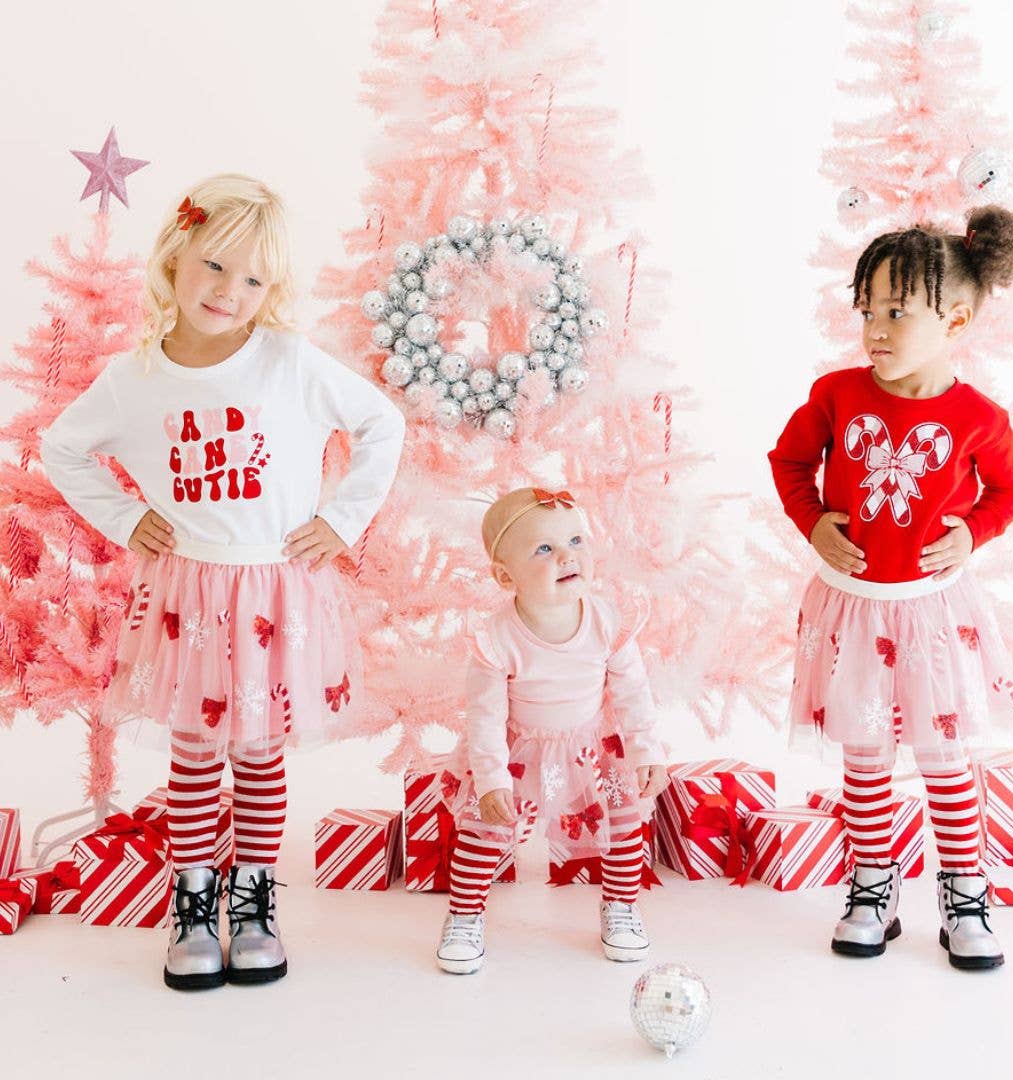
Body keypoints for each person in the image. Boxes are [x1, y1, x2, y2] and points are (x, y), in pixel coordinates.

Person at [41, 174, 405, 989]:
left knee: (261, 753)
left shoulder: (289, 362)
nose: (229, 292)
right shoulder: (136, 378)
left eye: (253, 279)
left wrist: (340, 521)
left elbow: (382, 423)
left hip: (275, 595)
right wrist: (125, 519)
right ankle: (194, 899)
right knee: (197, 753)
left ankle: (253, 900)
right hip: (189, 600)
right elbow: (62, 448)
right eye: (214, 266)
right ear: (175, 259)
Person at [768, 205, 1013, 970]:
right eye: (867, 310)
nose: (875, 329)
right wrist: (814, 520)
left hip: (931, 616)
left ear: (954, 318)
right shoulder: (836, 394)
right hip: (854, 611)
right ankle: (872, 887)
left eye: (897, 311)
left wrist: (972, 533)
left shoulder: (978, 417)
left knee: (944, 758)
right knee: (866, 756)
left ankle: (964, 892)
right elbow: (789, 463)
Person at [434, 487, 668, 974]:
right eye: (544, 549)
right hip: (518, 750)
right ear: (505, 576)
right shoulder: (496, 639)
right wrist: (494, 780)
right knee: (483, 829)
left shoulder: (606, 621)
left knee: (625, 822)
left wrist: (646, 751)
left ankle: (621, 906)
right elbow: (484, 719)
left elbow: (632, 694)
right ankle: (464, 915)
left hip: (589, 746)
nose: (567, 556)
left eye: (576, 540)